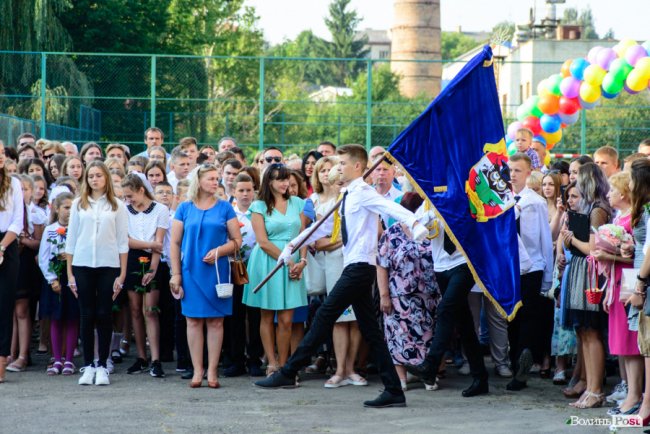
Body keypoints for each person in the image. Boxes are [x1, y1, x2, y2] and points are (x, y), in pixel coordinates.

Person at [257, 144, 428, 409]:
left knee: (325, 314)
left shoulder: (362, 193)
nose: (338, 169)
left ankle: (288, 372)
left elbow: (390, 208)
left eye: (342, 164)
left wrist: (416, 224)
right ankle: (394, 390)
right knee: (371, 331)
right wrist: (290, 248)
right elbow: (319, 227)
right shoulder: (347, 195)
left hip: (360, 267)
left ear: (358, 167)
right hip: (356, 267)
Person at [169, 163, 242, 388]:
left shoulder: (225, 208)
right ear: (198, 181)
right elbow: (174, 242)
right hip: (190, 269)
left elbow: (237, 241)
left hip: (218, 272)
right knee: (192, 321)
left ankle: (212, 370)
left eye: (217, 178)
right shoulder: (184, 208)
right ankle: (197, 370)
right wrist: (176, 274)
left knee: (216, 322)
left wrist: (220, 251)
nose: (216, 182)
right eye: (211, 178)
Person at [65, 161, 129, 386]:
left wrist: (121, 274)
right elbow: (70, 239)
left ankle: (102, 364)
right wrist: (70, 273)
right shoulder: (78, 205)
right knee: (86, 314)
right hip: (82, 265)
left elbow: (123, 242)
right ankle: (88, 366)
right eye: (91, 176)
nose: (94, 179)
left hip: (108, 265)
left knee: (104, 314)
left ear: (106, 179)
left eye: (99, 175)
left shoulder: (117, 206)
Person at [242, 164, 308, 375]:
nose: (285, 183)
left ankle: (285, 364)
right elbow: (262, 241)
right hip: (268, 262)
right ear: (268, 181)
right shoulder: (259, 206)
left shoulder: (298, 203)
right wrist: (288, 260)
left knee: (288, 319)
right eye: (279, 179)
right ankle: (272, 362)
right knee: (267, 316)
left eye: (286, 178)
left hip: (293, 262)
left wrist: (302, 261)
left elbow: (304, 235)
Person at [561, 162, 611, 408]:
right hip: (582, 271)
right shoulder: (590, 208)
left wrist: (571, 239)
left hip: (591, 273)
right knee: (584, 332)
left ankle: (595, 390)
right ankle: (589, 387)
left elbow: (592, 248)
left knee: (591, 332)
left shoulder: (597, 210)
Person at [377, 192, 439, 391]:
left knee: (427, 336)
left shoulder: (431, 231)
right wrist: (384, 295)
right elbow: (381, 265)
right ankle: (401, 378)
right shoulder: (391, 233)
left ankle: (427, 376)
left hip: (427, 295)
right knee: (398, 337)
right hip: (398, 296)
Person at [592, 171, 642, 416]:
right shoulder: (620, 216)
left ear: (623, 193)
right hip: (616, 282)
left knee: (630, 342)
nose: (608, 194)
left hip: (629, 281)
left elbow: (636, 256)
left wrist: (607, 255)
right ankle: (631, 392)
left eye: (612, 190)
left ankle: (635, 394)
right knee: (623, 343)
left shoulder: (634, 218)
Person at [506, 153, 554, 391]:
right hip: (510, 269)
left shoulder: (534, 202)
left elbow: (542, 239)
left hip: (531, 267)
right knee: (511, 318)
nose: (513, 174)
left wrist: (547, 275)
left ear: (528, 173)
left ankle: (524, 362)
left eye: (517, 170)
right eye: (510, 170)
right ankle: (517, 364)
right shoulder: (503, 199)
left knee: (527, 316)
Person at [120, 174, 169, 378]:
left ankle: (155, 359)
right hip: (131, 257)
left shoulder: (160, 209)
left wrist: (153, 269)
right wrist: (149, 245)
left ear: (141, 190)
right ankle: (141, 357)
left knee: (150, 309)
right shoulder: (124, 210)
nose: (127, 199)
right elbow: (125, 240)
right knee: (134, 310)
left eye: (130, 195)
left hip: (153, 261)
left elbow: (160, 242)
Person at [223, 173, 264, 377]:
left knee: (255, 315)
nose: (245, 194)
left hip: (256, 269)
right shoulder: (229, 213)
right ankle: (236, 359)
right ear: (233, 192)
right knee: (235, 316)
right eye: (241, 190)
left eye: (249, 190)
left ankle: (255, 358)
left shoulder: (260, 212)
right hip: (234, 269)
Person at [6, 175, 47, 373]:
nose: (22, 193)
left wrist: (24, 240)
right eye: (19, 189)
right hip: (11, 257)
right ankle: (10, 353)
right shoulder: (8, 210)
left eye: (25, 189)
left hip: (27, 262)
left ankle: (23, 355)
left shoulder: (36, 213)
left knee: (22, 310)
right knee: (10, 310)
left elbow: (40, 242)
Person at [38, 192, 79, 376]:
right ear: (57, 208)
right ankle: (56, 359)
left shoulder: (78, 229)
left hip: (72, 279)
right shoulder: (50, 229)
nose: (69, 211)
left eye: (73, 208)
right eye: (66, 207)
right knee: (56, 318)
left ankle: (69, 359)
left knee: (71, 317)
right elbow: (44, 257)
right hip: (55, 277)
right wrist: (52, 278)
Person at [623, 159, 650, 424]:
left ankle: (646, 406)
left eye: (631, 178)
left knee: (648, 347)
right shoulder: (643, 209)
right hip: (640, 276)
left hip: (645, 281)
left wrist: (639, 284)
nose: (628, 184)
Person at [0, 140, 24, 384]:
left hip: (7, 244)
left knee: (4, 306)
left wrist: (2, 247)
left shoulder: (14, 184)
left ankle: (1, 362)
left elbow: (18, 222)